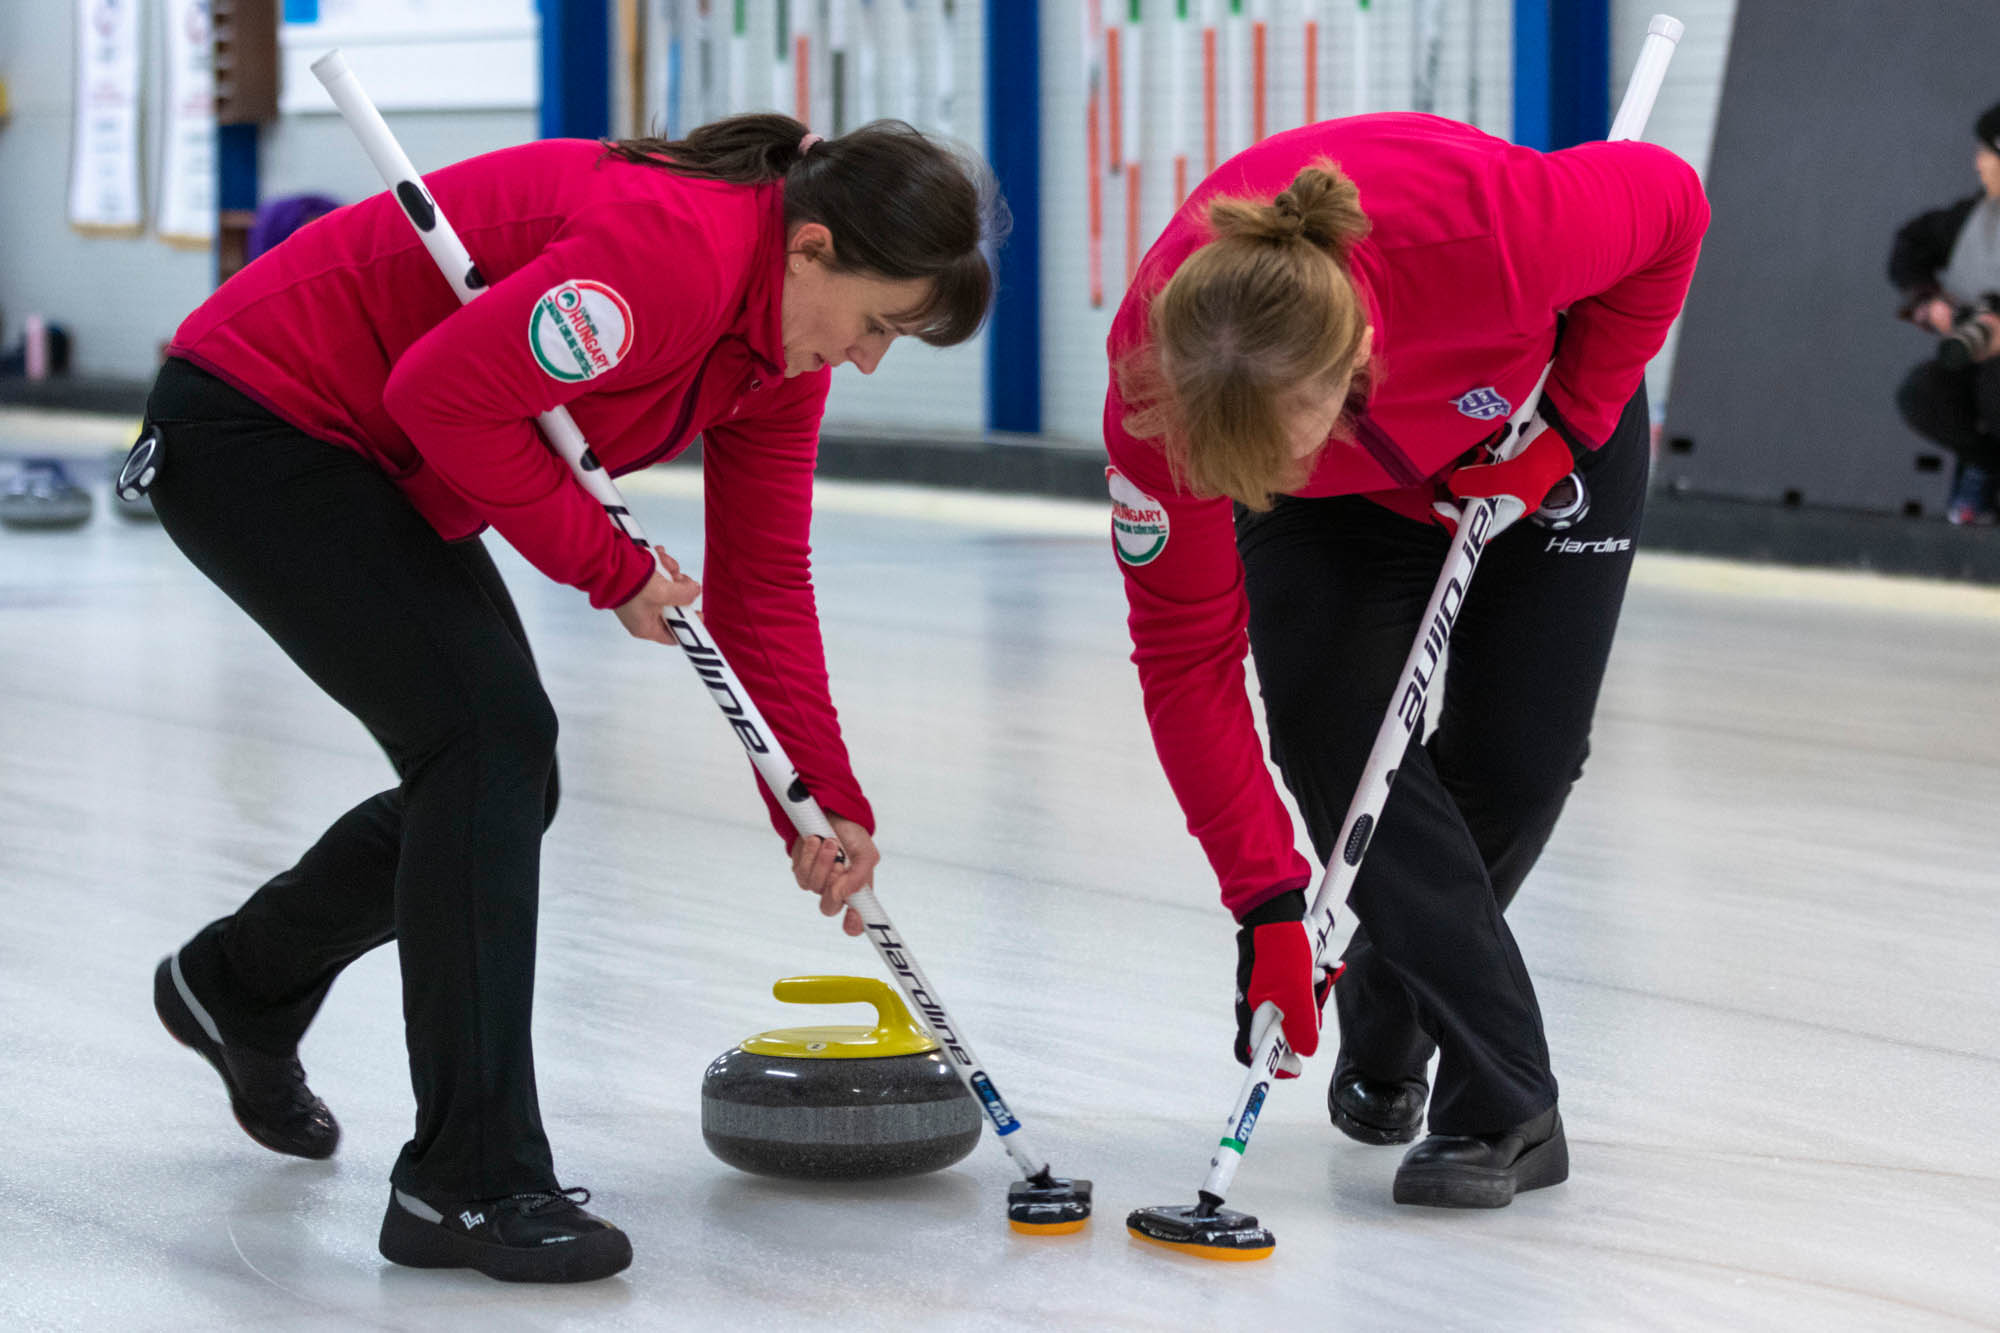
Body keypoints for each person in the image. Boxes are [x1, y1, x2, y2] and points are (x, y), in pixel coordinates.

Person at [143, 114, 998, 1282]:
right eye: (876, 322)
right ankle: (468, 1180)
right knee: (488, 738)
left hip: (373, 455)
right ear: (808, 251)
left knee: (504, 770)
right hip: (257, 419)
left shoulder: (768, 353)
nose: (865, 360)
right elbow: (442, 392)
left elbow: (762, 587)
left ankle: (238, 982)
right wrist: (609, 567)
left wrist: (817, 798)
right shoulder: (673, 252)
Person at [1103, 113, 1707, 1208]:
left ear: (1353, 367)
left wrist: (1567, 427)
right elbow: (1184, 662)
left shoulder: (1492, 239)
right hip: (1348, 508)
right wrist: (1267, 905)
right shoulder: (1162, 402)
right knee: (1337, 738)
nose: (1252, 474)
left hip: (1528, 421)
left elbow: (1669, 202)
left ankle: (1393, 995)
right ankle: (1509, 1103)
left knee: (1518, 762)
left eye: (1282, 440)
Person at [1891, 101, 2000, 525]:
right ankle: (1988, 468)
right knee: (1924, 394)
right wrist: (1928, 301)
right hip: (1978, 352)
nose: (1977, 165)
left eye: (1984, 154)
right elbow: (1910, 244)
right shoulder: (1973, 218)